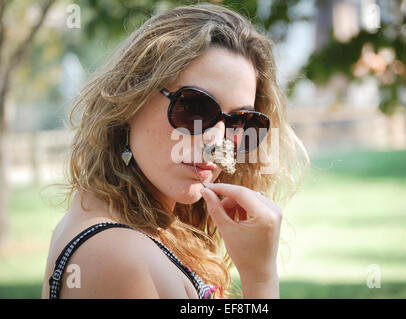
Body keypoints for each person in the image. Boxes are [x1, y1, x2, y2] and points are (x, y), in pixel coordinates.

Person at [41, 3, 309, 299]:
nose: (217, 141)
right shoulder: (121, 257)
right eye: (195, 107)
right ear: (132, 97)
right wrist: (259, 278)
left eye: (239, 121)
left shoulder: (127, 225)